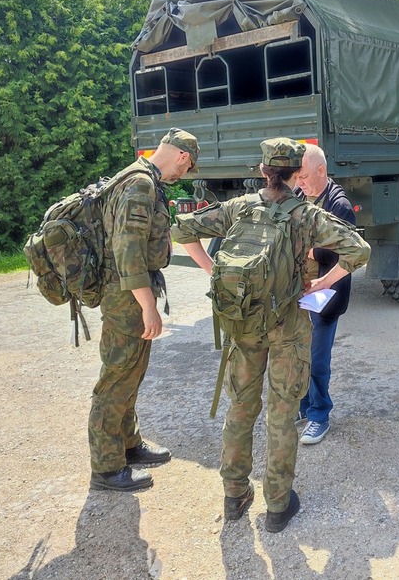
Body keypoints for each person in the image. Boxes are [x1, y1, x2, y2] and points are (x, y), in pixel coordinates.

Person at [173, 138, 370, 533]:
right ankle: (278, 505)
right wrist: (321, 284)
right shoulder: (307, 216)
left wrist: (213, 270)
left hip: (243, 324)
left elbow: (182, 230)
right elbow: (358, 249)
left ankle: (234, 495)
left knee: (240, 409)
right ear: (298, 174)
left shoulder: (239, 207)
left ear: (263, 171)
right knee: (282, 413)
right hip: (288, 328)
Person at [88, 128, 200, 492]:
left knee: (132, 371)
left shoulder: (140, 178)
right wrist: (148, 307)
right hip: (126, 297)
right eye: (186, 169)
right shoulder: (140, 184)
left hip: (129, 293)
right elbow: (127, 250)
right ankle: (106, 468)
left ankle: (129, 444)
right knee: (117, 377)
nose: (180, 176)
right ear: (182, 157)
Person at [293, 144, 357, 445]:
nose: (299, 183)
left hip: (325, 294)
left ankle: (319, 415)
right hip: (299, 292)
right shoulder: (298, 196)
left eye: (304, 176)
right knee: (298, 355)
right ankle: (304, 406)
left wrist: (310, 250)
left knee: (317, 360)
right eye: (297, 177)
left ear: (322, 171)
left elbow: (343, 257)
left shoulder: (339, 205)